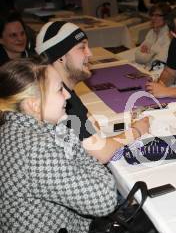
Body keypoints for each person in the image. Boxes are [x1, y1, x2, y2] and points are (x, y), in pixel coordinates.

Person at [0, 58, 127, 233]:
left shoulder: (13, 131)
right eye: (60, 90)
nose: (67, 96)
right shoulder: (38, 148)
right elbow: (105, 200)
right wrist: (72, 139)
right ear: (33, 105)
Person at [35, 21, 150, 163]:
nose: (90, 53)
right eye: (82, 47)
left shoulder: (60, 89)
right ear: (60, 56)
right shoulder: (59, 100)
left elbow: (92, 128)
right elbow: (100, 153)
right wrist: (136, 131)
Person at [135, 2, 172, 67]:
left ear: (166, 17)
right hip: (146, 68)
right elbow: (137, 57)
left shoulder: (169, 36)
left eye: (157, 15)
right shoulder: (151, 32)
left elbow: (159, 63)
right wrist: (152, 54)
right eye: (152, 15)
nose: (153, 18)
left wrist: (147, 54)